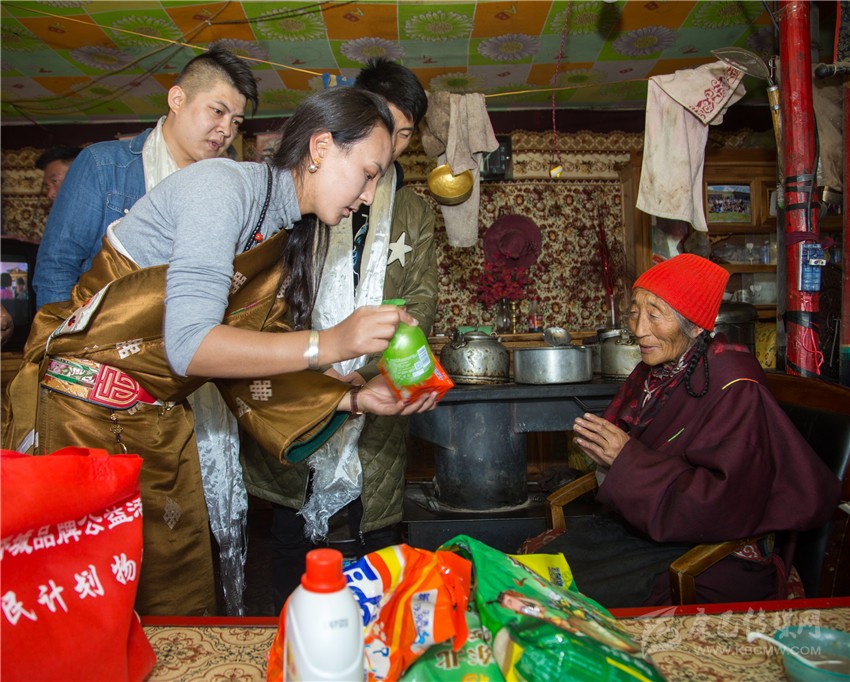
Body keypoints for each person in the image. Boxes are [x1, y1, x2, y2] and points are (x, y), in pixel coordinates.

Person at [2, 87, 438, 617]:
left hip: (157, 420)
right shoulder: (223, 188)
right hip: (81, 420)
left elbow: (253, 364)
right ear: (321, 147)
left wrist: (356, 400)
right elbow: (191, 346)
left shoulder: (281, 231)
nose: (369, 196)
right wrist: (332, 342)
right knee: (91, 611)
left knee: (172, 602)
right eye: (368, 173)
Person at [241, 58, 437, 612]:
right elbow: (273, 300)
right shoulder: (305, 196)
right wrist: (322, 362)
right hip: (300, 381)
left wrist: (367, 372)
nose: (393, 144)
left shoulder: (414, 211)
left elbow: (421, 301)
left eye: (404, 133)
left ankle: (383, 638)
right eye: (384, 125)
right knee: (292, 535)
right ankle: (295, 632)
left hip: (376, 387)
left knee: (378, 534)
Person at [548, 254, 840, 607]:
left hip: (712, 555)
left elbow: (724, 503)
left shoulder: (736, 387)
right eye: (634, 312)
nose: (639, 329)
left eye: (655, 314)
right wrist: (604, 451)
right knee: (540, 572)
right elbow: (634, 440)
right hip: (653, 529)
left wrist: (624, 459)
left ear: (697, 326)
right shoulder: (657, 371)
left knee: (567, 596)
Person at [33, 42, 259, 308]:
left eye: (236, 122)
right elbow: (56, 267)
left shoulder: (226, 188)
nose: (227, 130)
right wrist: (61, 334)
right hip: (102, 329)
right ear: (177, 99)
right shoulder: (103, 165)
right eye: (218, 111)